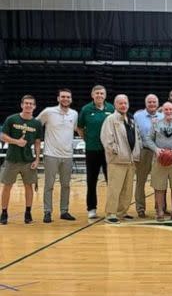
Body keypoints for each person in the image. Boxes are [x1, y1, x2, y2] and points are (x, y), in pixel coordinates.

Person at [36, 88, 78, 223]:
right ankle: (47, 212)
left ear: (71, 99)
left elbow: (76, 129)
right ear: (58, 98)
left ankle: (64, 211)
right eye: (63, 97)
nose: (65, 99)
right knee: (49, 185)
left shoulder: (74, 114)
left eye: (68, 97)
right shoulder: (48, 111)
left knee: (66, 185)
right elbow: (36, 125)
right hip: (50, 154)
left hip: (67, 155)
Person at [0, 95, 42, 225]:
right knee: (7, 186)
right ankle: (4, 213)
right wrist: (16, 141)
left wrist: (37, 159)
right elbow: (2, 136)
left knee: (28, 187)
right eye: (26, 103)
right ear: (21, 105)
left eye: (31, 104)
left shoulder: (36, 123)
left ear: (34, 107)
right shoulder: (12, 119)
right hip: (12, 159)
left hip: (28, 160)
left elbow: (37, 143)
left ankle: (28, 213)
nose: (28, 105)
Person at [100, 94, 141, 224]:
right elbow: (107, 139)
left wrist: (136, 153)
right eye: (120, 103)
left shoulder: (131, 119)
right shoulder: (110, 119)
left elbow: (137, 138)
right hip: (117, 160)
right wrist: (115, 152)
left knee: (127, 189)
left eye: (125, 103)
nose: (123, 105)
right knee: (115, 188)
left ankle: (122, 212)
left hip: (130, 160)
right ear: (115, 105)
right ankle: (111, 213)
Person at [143, 101, 172, 221]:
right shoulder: (156, 124)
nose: (168, 111)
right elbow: (148, 139)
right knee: (159, 187)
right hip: (159, 160)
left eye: (171, 109)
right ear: (162, 111)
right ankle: (160, 211)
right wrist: (156, 150)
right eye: (166, 109)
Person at [77, 85, 114, 219]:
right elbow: (80, 127)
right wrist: (87, 139)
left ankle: (112, 208)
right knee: (91, 181)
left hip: (108, 151)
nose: (99, 95)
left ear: (105, 95)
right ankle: (91, 208)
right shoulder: (86, 109)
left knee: (111, 181)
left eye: (102, 93)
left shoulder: (111, 108)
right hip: (92, 150)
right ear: (92, 95)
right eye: (97, 93)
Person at [133, 94, 162, 218]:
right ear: (145, 103)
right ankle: (140, 208)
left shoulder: (163, 116)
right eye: (149, 102)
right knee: (140, 181)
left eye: (154, 102)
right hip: (144, 151)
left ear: (157, 103)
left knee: (159, 182)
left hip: (159, 152)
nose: (152, 104)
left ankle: (159, 207)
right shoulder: (137, 116)